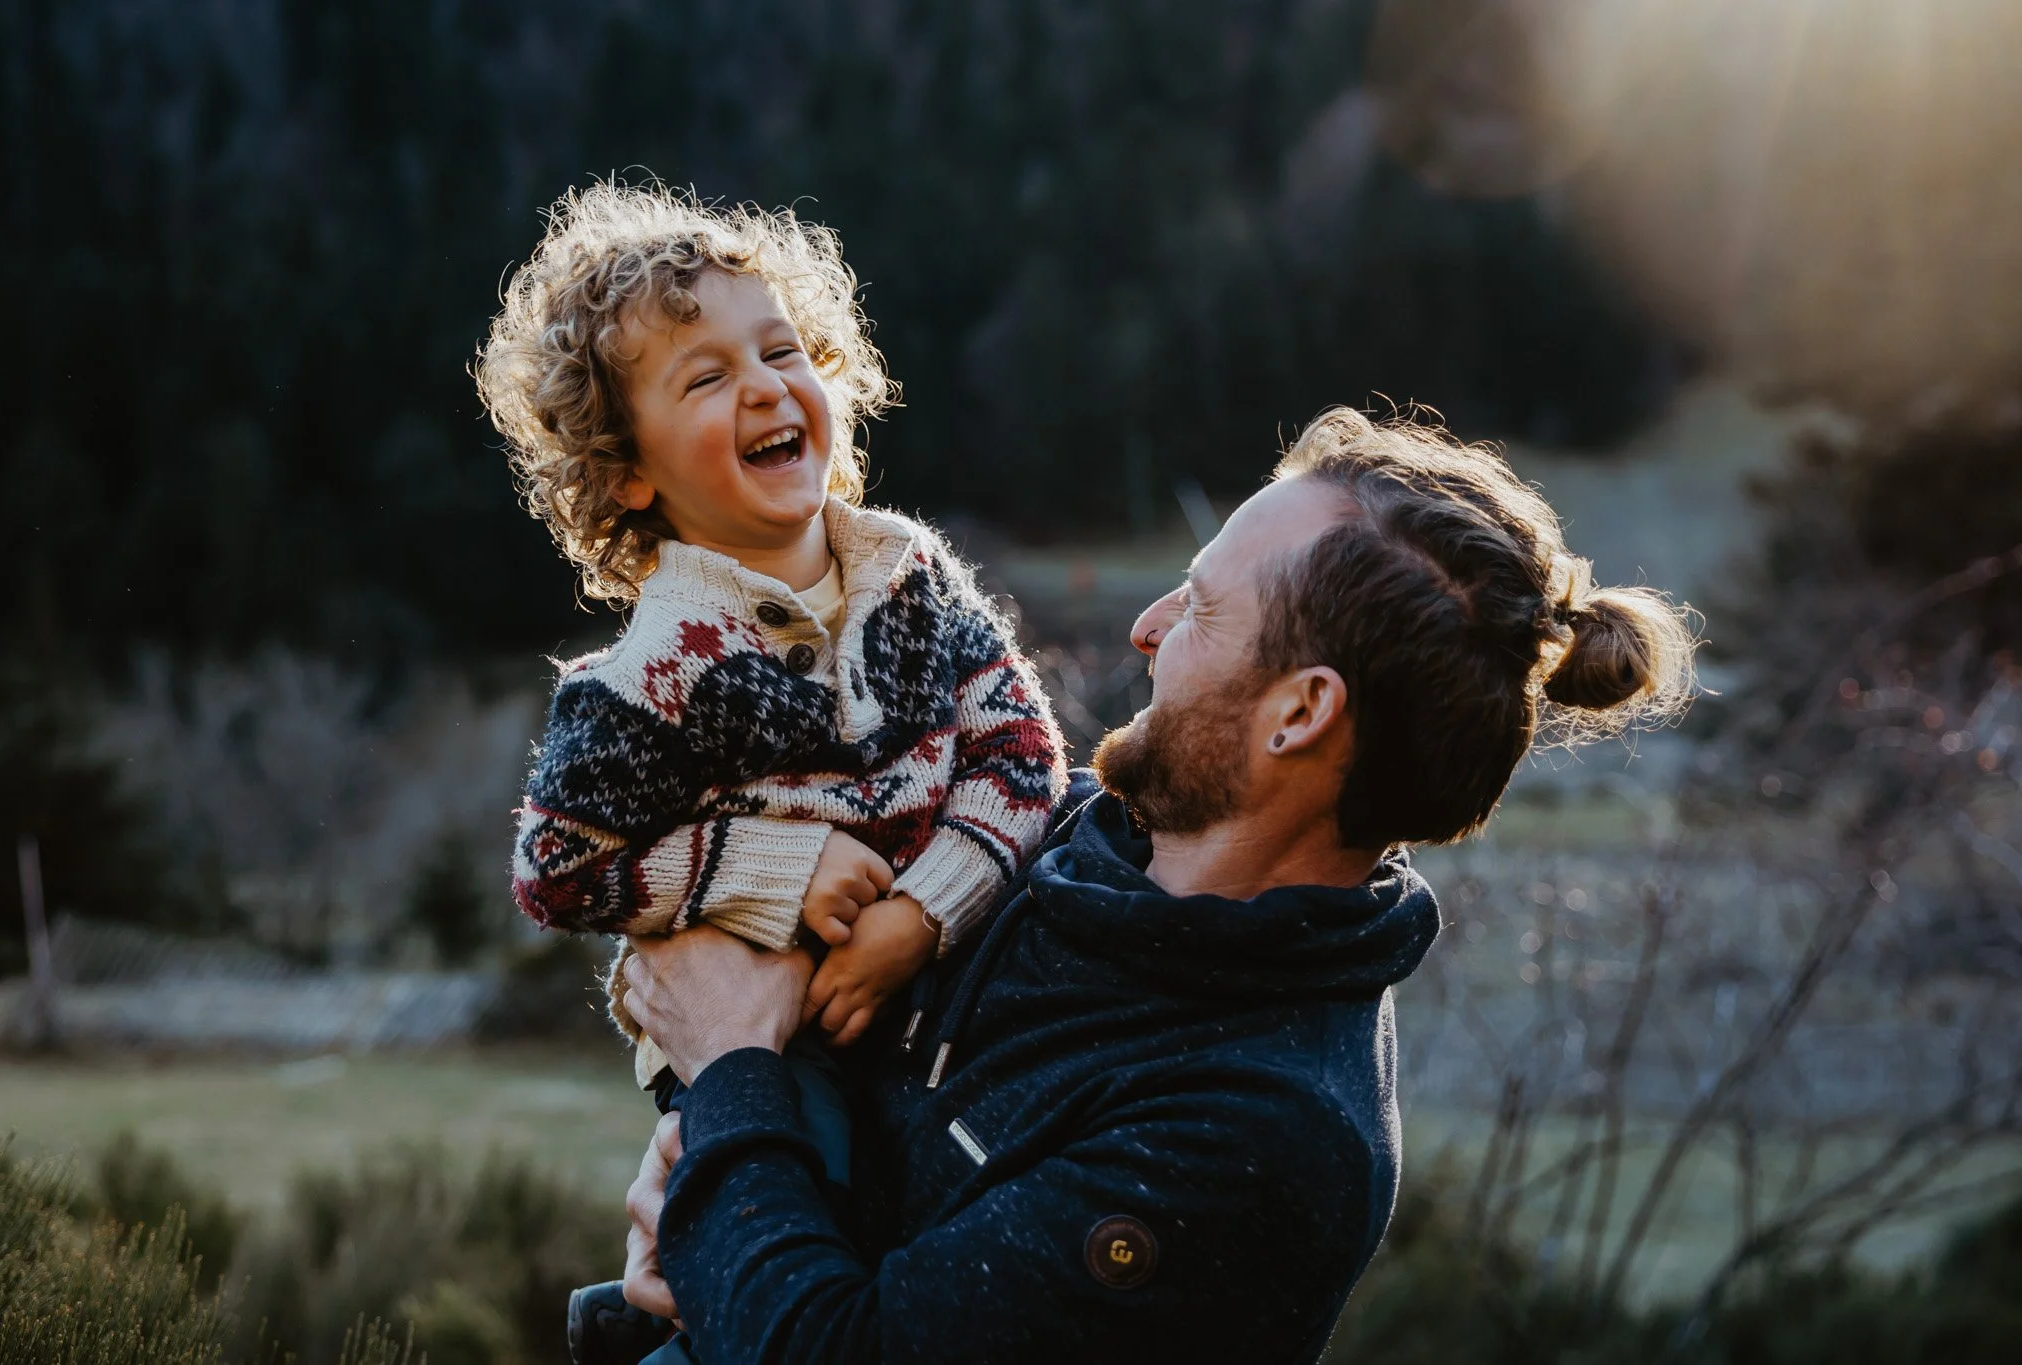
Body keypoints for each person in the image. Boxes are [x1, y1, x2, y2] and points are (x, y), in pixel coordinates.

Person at [609, 407, 1696, 1363]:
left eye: (1202, 608)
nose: (1146, 629)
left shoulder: (1259, 1142)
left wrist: (729, 1074)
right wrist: (710, 1207)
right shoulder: (1074, 839)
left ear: (1298, 715)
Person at [473, 183, 1067, 1199]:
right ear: (626, 473)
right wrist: (773, 867)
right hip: (765, 1046)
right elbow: (561, 870)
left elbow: (1019, 756)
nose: (762, 386)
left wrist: (920, 913)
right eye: (705, 379)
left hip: (941, 978)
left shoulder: (907, 577)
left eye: (782, 352)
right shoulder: (648, 676)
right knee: (811, 1202)